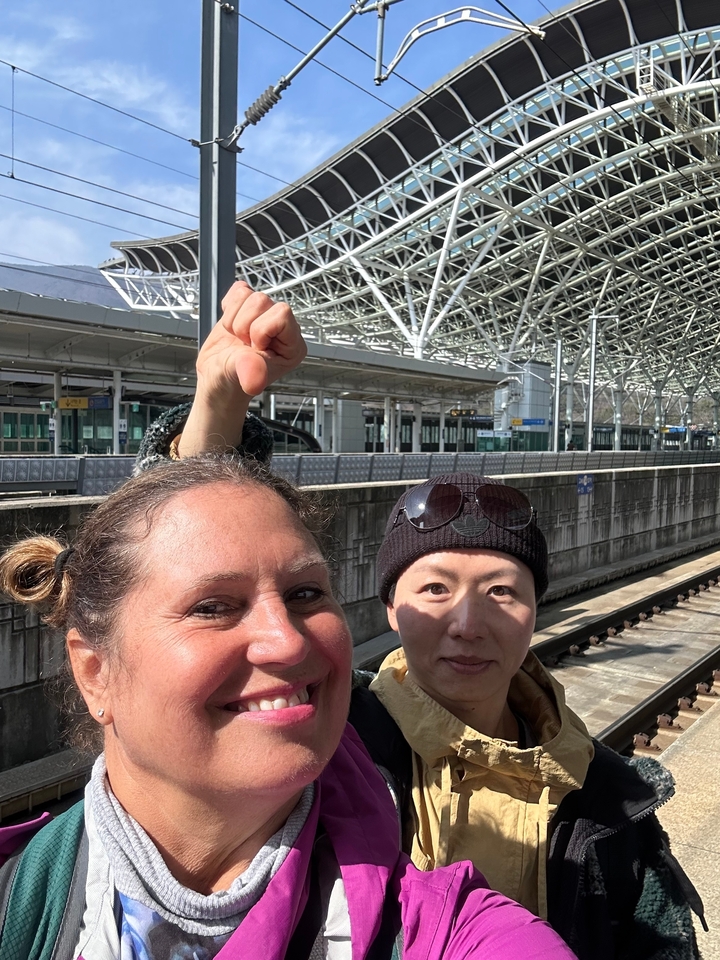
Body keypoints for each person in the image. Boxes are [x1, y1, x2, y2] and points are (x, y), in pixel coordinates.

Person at [155, 283, 706, 960]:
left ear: (536, 610)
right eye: (436, 589)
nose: (468, 623)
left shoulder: (614, 799)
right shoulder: (322, 745)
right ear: (390, 607)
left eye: (503, 592)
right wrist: (218, 405)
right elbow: (178, 574)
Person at [0, 458, 577, 959]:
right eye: (213, 606)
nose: (289, 641)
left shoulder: (448, 926)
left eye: (306, 594)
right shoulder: (20, 903)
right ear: (94, 673)